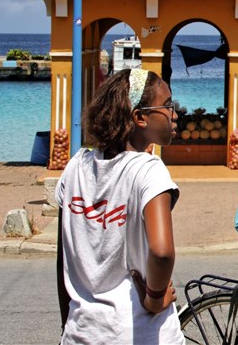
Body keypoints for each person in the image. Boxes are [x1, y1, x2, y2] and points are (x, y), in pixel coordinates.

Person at [56, 68, 182, 343]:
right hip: (140, 332)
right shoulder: (148, 171)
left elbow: (63, 258)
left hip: (81, 331)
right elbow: (161, 252)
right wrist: (155, 298)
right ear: (140, 117)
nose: (174, 113)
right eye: (168, 105)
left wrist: (68, 322)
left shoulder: (76, 166)